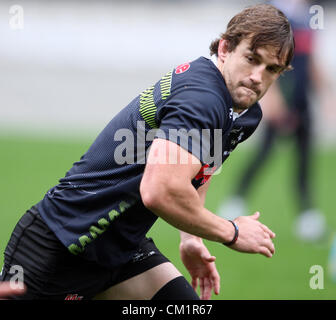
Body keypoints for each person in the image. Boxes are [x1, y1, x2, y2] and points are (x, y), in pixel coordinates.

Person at [0, 4, 294, 300]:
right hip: (59, 247)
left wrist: (192, 236)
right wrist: (230, 231)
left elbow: (198, 172)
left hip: (122, 251)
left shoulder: (243, 113)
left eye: (271, 69)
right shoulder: (202, 98)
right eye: (251, 59)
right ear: (225, 48)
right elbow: (158, 190)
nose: (257, 77)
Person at [217, 0, 327, 243]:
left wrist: (327, 96)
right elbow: (265, 60)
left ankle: (307, 215)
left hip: (302, 101)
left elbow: (311, 60)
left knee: (304, 159)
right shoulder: (274, 13)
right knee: (264, 154)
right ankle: (235, 200)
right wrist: (273, 99)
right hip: (279, 100)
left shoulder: (310, 15)